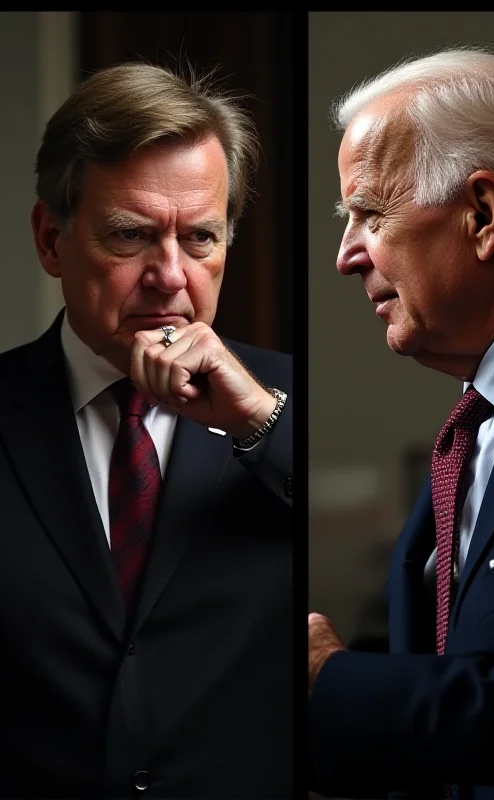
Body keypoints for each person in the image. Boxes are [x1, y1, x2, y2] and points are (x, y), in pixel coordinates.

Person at [0, 61, 292, 798]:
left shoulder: (287, 400)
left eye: (199, 239)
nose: (170, 276)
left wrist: (262, 422)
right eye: (131, 236)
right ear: (50, 239)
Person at [309, 48, 494, 800]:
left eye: (369, 214)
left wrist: (335, 685)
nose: (345, 256)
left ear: (483, 215)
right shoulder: (476, 423)